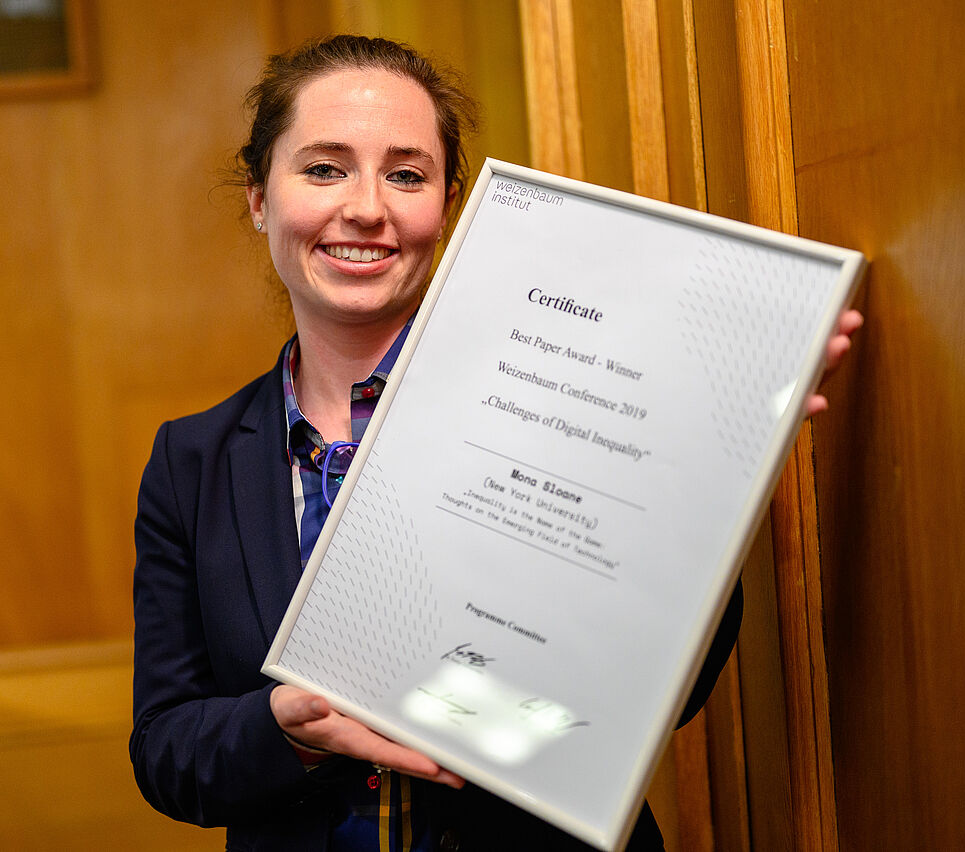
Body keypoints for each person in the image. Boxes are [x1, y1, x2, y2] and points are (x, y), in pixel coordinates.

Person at [130, 34, 863, 852]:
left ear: (449, 204)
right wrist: (285, 729)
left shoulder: (560, 405)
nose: (367, 206)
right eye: (325, 167)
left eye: (406, 174)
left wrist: (707, 463)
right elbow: (165, 750)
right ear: (260, 196)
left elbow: (666, 693)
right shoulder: (189, 464)